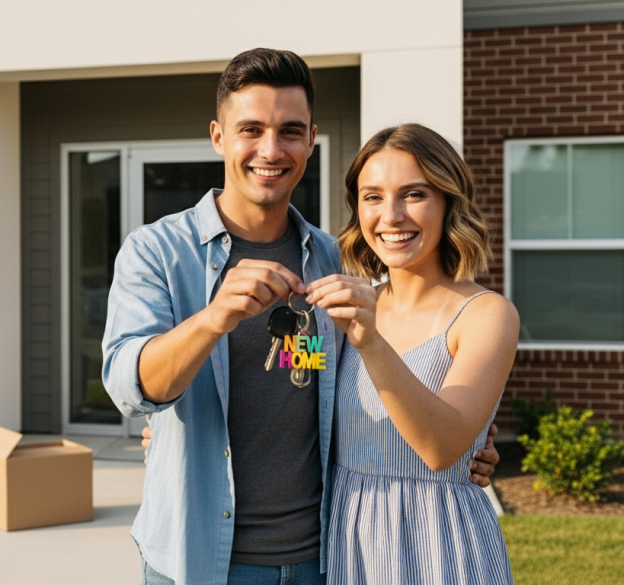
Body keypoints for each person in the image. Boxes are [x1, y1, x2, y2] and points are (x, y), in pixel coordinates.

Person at [101, 48, 499, 585]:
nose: (271, 149)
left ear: (311, 139)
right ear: (218, 136)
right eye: (251, 130)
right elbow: (130, 387)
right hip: (198, 560)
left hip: (326, 558)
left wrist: (472, 440)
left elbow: (339, 379)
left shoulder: (337, 262)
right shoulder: (157, 251)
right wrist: (212, 319)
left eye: (290, 130)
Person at [304, 124, 516, 584]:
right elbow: (288, 381)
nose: (391, 216)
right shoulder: (344, 311)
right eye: (373, 197)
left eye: (414, 194)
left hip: (441, 543)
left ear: (448, 201)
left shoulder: (487, 315)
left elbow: (442, 448)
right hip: (351, 540)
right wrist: (178, 423)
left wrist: (371, 341)